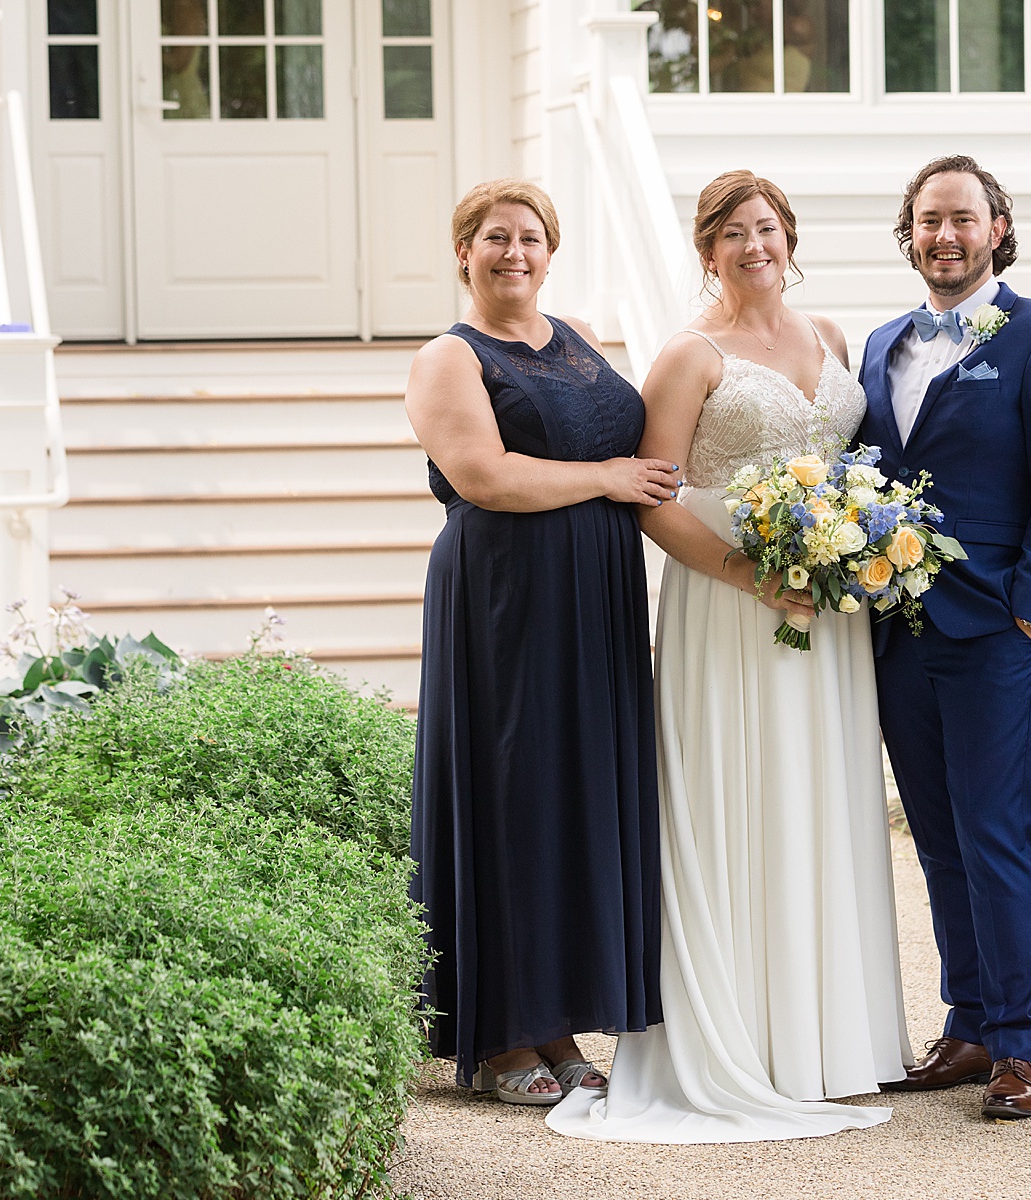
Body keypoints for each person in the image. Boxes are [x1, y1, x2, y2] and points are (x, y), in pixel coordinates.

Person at [548, 169, 912, 1144]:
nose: (757, 247)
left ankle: (822, 1044)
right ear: (707, 250)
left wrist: (855, 551)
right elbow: (653, 496)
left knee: (821, 801)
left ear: (790, 238)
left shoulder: (831, 338)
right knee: (733, 801)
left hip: (826, 613)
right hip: (728, 603)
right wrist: (753, 576)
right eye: (735, 234)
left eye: (770, 229)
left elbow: (848, 470)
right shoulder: (688, 355)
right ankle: (736, 1040)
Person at [407, 179, 676, 1107]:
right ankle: (506, 1036)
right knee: (513, 790)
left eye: (529, 238)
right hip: (506, 600)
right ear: (463, 254)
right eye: (493, 238)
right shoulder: (450, 357)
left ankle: (560, 1020)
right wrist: (610, 475)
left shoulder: (575, 340)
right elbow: (485, 476)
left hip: (592, 599)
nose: (513, 252)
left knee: (572, 793)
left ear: (550, 253)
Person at [855, 155, 1031, 1121]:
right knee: (938, 838)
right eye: (926, 221)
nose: (943, 236)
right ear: (908, 235)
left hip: (995, 626)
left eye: (962, 218)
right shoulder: (882, 344)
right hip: (897, 632)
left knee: (995, 833)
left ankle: (1016, 1044)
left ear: (998, 228)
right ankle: (964, 1025)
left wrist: (1030, 610)